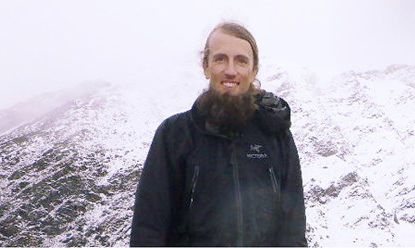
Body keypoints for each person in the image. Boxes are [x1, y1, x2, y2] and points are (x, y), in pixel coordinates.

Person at [129, 22, 308, 247]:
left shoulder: (276, 136)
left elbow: (293, 231)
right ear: (206, 66)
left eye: (241, 61)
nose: (230, 70)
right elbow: (148, 230)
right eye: (220, 58)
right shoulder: (174, 135)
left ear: (254, 71)